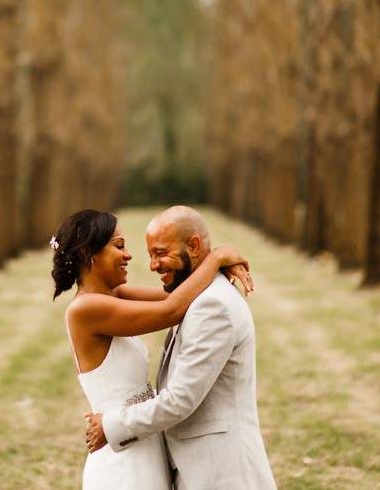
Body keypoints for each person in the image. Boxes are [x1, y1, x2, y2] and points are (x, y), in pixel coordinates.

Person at [52, 208, 252, 490]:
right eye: (119, 246)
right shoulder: (86, 308)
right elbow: (172, 310)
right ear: (88, 254)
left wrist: (213, 267)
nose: (129, 255)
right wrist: (218, 257)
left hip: (142, 441)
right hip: (123, 454)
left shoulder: (114, 296)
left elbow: (184, 294)